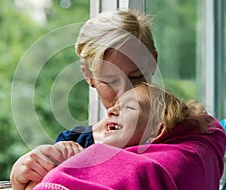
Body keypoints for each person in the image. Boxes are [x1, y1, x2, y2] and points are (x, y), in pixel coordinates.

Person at [10, 9, 158, 190]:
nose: (124, 93)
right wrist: (22, 181)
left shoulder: (178, 136)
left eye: (135, 77)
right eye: (110, 82)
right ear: (88, 76)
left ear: (153, 63)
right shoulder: (72, 147)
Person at [29, 83, 226, 190]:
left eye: (129, 107)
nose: (112, 110)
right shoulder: (76, 143)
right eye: (114, 106)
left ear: (156, 131)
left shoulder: (146, 168)